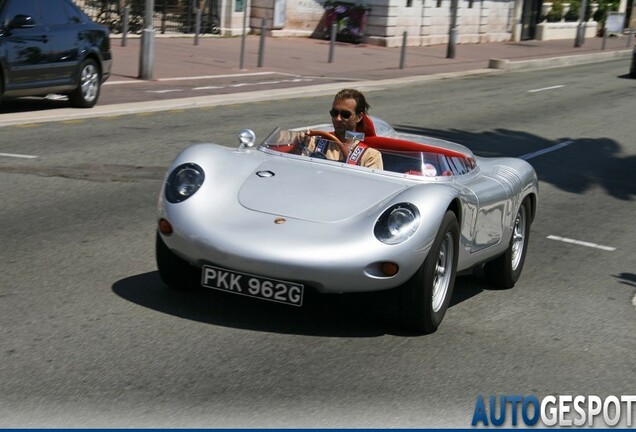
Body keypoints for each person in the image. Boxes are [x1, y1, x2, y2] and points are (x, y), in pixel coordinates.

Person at [299, 89, 383, 169]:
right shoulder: (314, 143)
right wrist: (298, 143)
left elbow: (370, 183)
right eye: (334, 113)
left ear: (359, 117)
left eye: (345, 114)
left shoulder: (370, 156)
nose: (338, 119)